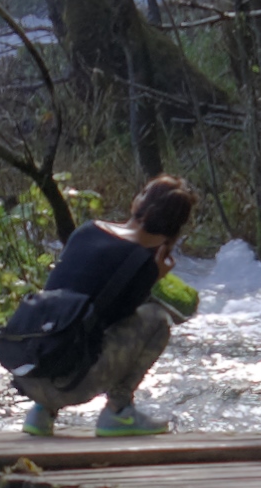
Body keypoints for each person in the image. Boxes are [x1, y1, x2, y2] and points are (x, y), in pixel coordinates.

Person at [14, 176, 204, 437]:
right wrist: (153, 277)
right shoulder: (141, 264)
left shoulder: (87, 231)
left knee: (65, 319)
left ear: (139, 203)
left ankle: (41, 413)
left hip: (27, 373)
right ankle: (118, 411)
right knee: (157, 320)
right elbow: (117, 323)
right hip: (71, 385)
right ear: (174, 229)